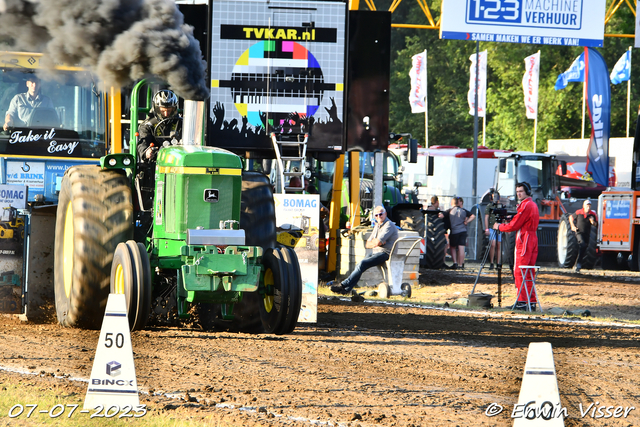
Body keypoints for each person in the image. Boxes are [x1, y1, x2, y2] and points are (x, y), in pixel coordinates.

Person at [328, 205, 398, 295]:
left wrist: (377, 242)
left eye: (381, 214)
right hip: (376, 252)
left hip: (386, 253)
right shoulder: (377, 225)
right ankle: (346, 289)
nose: (379, 217)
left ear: (385, 214)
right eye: (376, 215)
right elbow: (367, 244)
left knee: (362, 264)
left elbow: (378, 242)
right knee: (359, 265)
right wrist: (376, 242)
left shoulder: (389, 225)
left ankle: (343, 285)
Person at [493, 182, 539, 310]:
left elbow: (514, 226)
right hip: (532, 238)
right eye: (517, 191)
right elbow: (520, 220)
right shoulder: (533, 205)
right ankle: (531, 301)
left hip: (525, 240)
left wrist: (500, 227)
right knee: (529, 271)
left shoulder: (525, 205)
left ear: (527, 192)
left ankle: (522, 301)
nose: (519, 193)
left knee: (520, 271)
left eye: (521, 191)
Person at [137, 89, 182, 162]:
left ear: (174, 109)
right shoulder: (148, 125)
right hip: (155, 162)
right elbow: (143, 142)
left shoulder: (181, 123)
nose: (166, 114)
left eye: (169, 110)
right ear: (157, 109)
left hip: (179, 160)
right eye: (163, 111)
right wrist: (146, 152)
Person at [445, 197, 475, 269]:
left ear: (452, 203)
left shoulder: (450, 210)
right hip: (463, 231)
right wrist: (467, 221)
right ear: (459, 203)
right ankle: (461, 265)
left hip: (454, 231)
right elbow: (473, 216)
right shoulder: (464, 210)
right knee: (461, 248)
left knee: (452, 247)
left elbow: (442, 215)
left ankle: (455, 263)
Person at [569, 199, 597, 273]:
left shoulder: (592, 214)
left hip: (587, 233)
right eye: (587, 206)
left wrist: (593, 222)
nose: (588, 207)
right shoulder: (579, 212)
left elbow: (596, 224)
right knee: (582, 244)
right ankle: (578, 264)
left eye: (589, 206)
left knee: (584, 248)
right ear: (583, 206)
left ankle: (577, 264)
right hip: (579, 232)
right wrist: (572, 226)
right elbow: (571, 217)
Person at [483, 191, 502, 270]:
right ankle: (491, 262)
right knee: (492, 244)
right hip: (491, 227)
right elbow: (486, 217)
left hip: (499, 227)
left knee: (498, 245)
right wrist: (486, 228)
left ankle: (498, 263)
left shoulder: (500, 206)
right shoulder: (489, 206)